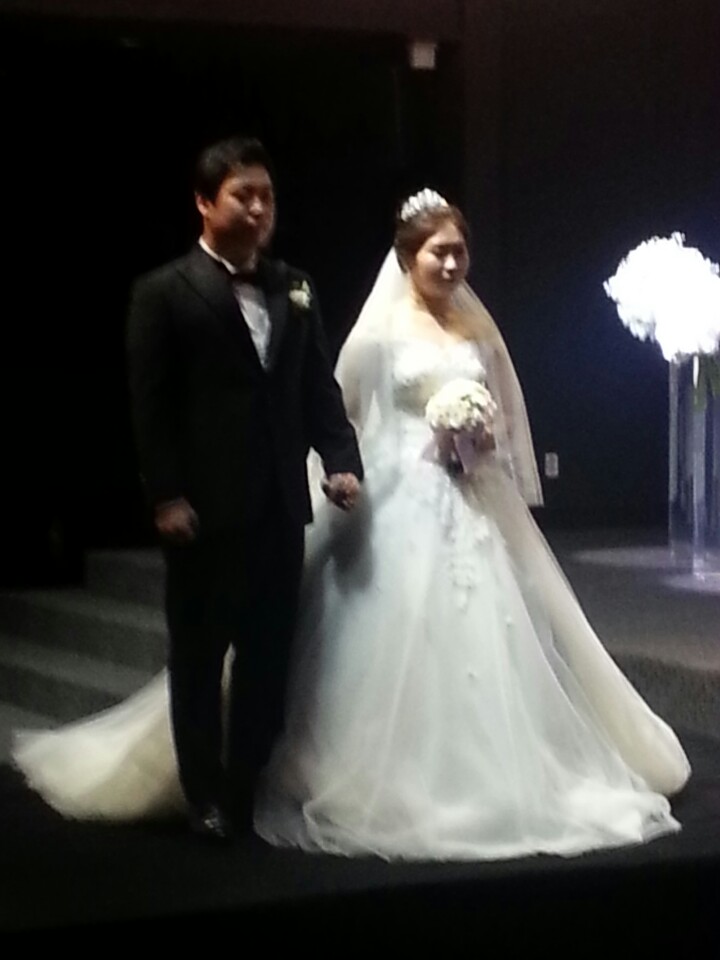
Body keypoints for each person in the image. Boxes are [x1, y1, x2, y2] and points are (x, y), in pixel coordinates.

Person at [13, 189, 689, 861]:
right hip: (397, 495)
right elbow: (341, 411)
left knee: (497, 629)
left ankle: (493, 768)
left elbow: (504, 413)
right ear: (408, 257)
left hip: (472, 498)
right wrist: (342, 475)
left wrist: (481, 438)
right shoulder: (378, 333)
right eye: (438, 252)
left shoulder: (477, 330)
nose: (451, 265)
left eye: (460, 252)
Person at [19, 135, 363, 843]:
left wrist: (340, 457)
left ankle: (246, 786)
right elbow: (151, 406)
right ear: (205, 202)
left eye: (267, 196)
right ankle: (202, 791)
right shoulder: (164, 291)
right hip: (204, 510)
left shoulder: (294, 286)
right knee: (200, 659)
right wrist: (166, 496)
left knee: (269, 657)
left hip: (279, 505)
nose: (260, 208)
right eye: (244, 195)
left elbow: (316, 385)